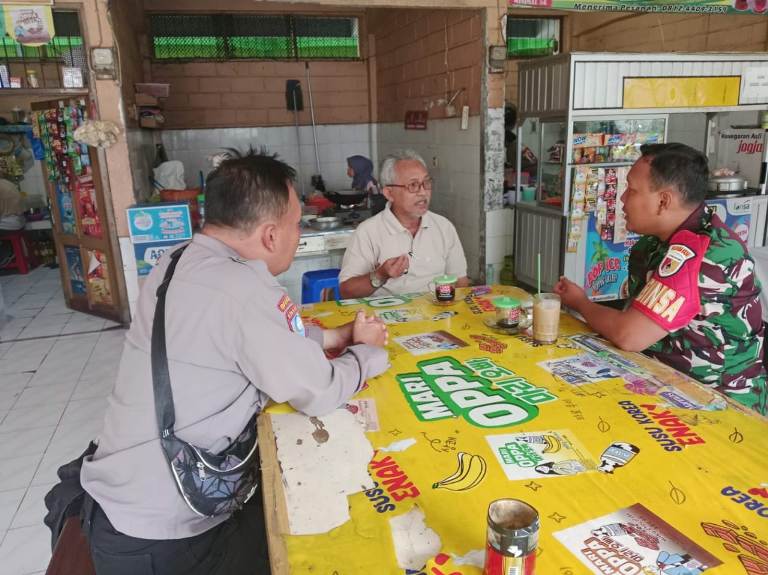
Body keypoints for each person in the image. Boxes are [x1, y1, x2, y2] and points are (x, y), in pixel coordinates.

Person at [80, 149, 390, 575]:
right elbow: (319, 392)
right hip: (164, 536)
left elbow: (258, 337)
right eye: (296, 223)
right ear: (269, 235)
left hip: (120, 504)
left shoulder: (177, 261)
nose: (298, 233)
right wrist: (366, 353)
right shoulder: (241, 286)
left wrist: (333, 336)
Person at [555, 143, 766, 414]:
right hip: (664, 381)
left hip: (721, 406)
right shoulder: (658, 243)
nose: (622, 199)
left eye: (631, 189)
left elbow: (629, 334)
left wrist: (581, 303)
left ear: (664, 201)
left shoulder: (701, 252)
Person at [339, 149, 469, 298]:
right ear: (389, 193)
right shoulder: (368, 232)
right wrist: (380, 275)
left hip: (436, 315)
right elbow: (347, 291)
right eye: (413, 185)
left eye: (426, 183)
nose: (423, 192)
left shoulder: (444, 227)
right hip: (386, 318)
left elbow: (460, 282)